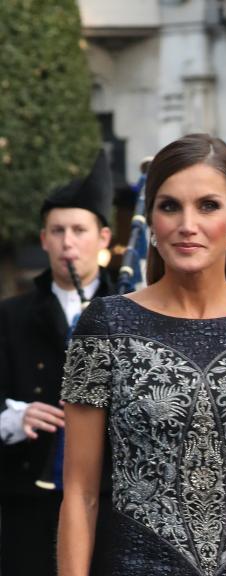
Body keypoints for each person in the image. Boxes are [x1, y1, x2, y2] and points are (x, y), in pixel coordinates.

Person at [57, 134, 226, 576]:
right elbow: (81, 493)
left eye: (208, 206)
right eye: (170, 206)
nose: (187, 224)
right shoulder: (106, 323)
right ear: (151, 219)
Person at [0, 152, 115, 575]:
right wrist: (13, 419)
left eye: (79, 230)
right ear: (43, 239)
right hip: (27, 505)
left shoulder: (131, 312)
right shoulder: (9, 316)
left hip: (110, 503)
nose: (68, 242)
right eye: (57, 231)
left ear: (103, 238)